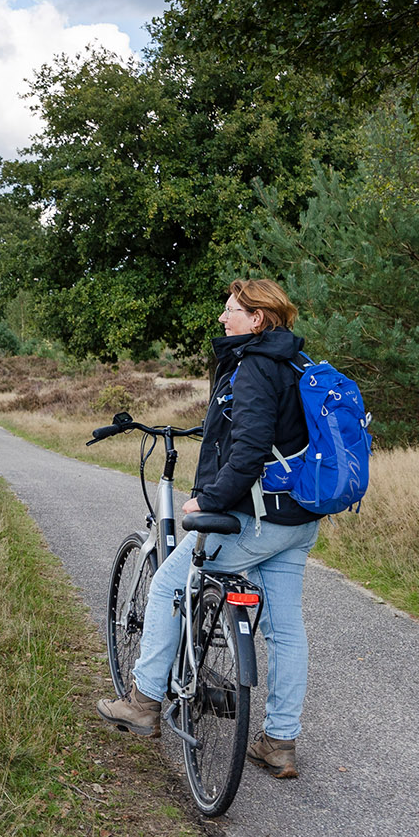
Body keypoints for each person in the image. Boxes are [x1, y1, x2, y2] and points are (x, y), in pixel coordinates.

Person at [95, 278, 319, 779]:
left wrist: (210, 499)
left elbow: (253, 447)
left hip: (253, 519)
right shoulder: (294, 362)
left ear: (257, 319)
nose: (223, 319)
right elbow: (271, 432)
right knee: (286, 630)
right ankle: (279, 742)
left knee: (167, 584)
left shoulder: (256, 365)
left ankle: (144, 701)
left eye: (231, 311)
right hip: (296, 521)